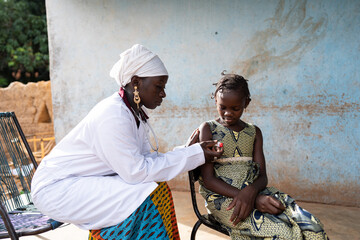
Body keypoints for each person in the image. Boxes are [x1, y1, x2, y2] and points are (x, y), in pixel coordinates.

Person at [31, 44, 222, 240]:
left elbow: (146, 162)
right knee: (145, 196)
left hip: (81, 181)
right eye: (159, 86)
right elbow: (137, 172)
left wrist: (188, 151)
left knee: (157, 187)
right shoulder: (113, 115)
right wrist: (194, 155)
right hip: (57, 189)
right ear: (136, 82)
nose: (163, 94)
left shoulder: (132, 112)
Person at [197, 72, 329, 240]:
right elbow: (208, 179)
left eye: (235, 108)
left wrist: (252, 193)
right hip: (223, 198)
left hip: (255, 190)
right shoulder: (209, 129)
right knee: (284, 233)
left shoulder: (254, 132)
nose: (228, 113)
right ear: (216, 101)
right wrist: (245, 197)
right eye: (223, 107)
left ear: (247, 103)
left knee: (312, 227)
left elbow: (262, 176)